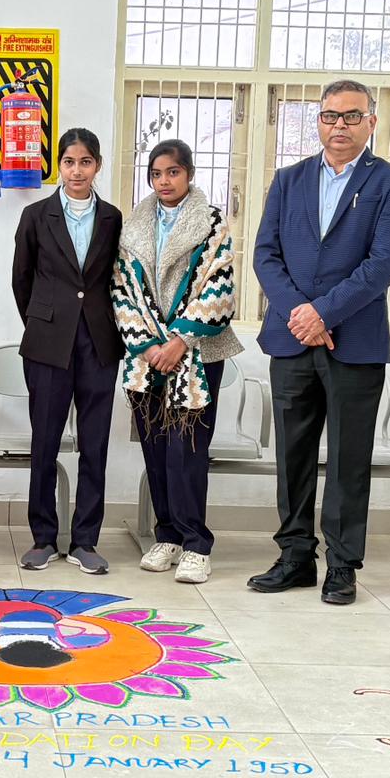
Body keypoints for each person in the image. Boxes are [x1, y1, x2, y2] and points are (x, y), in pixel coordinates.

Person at [248, 79, 390, 605]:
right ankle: (295, 556)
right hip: (292, 340)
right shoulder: (289, 179)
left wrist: (323, 312)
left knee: (347, 459)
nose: (339, 125)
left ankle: (342, 565)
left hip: (354, 343)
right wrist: (301, 314)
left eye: (351, 116)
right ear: (318, 121)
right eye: (329, 116)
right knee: (292, 456)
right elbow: (265, 254)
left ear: (372, 122)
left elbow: (384, 263)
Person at [111, 139, 242, 584]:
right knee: (155, 447)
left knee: (187, 450)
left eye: (173, 172)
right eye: (157, 174)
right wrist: (148, 345)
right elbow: (121, 291)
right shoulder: (133, 226)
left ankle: (196, 544)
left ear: (189, 174)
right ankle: (165, 534)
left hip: (196, 353)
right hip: (147, 356)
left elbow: (218, 289)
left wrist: (179, 340)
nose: (164, 181)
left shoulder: (211, 222)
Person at [12, 127, 123, 575]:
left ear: (97, 165)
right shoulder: (36, 216)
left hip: (99, 342)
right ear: (58, 166)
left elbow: (116, 279)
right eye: (69, 162)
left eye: (86, 162)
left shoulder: (113, 218)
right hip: (47, 343)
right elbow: (22, 279)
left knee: (95, 444)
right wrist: (45, 323)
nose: (77, 171)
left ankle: (85, 540)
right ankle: (43, 537)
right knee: (45, 441)